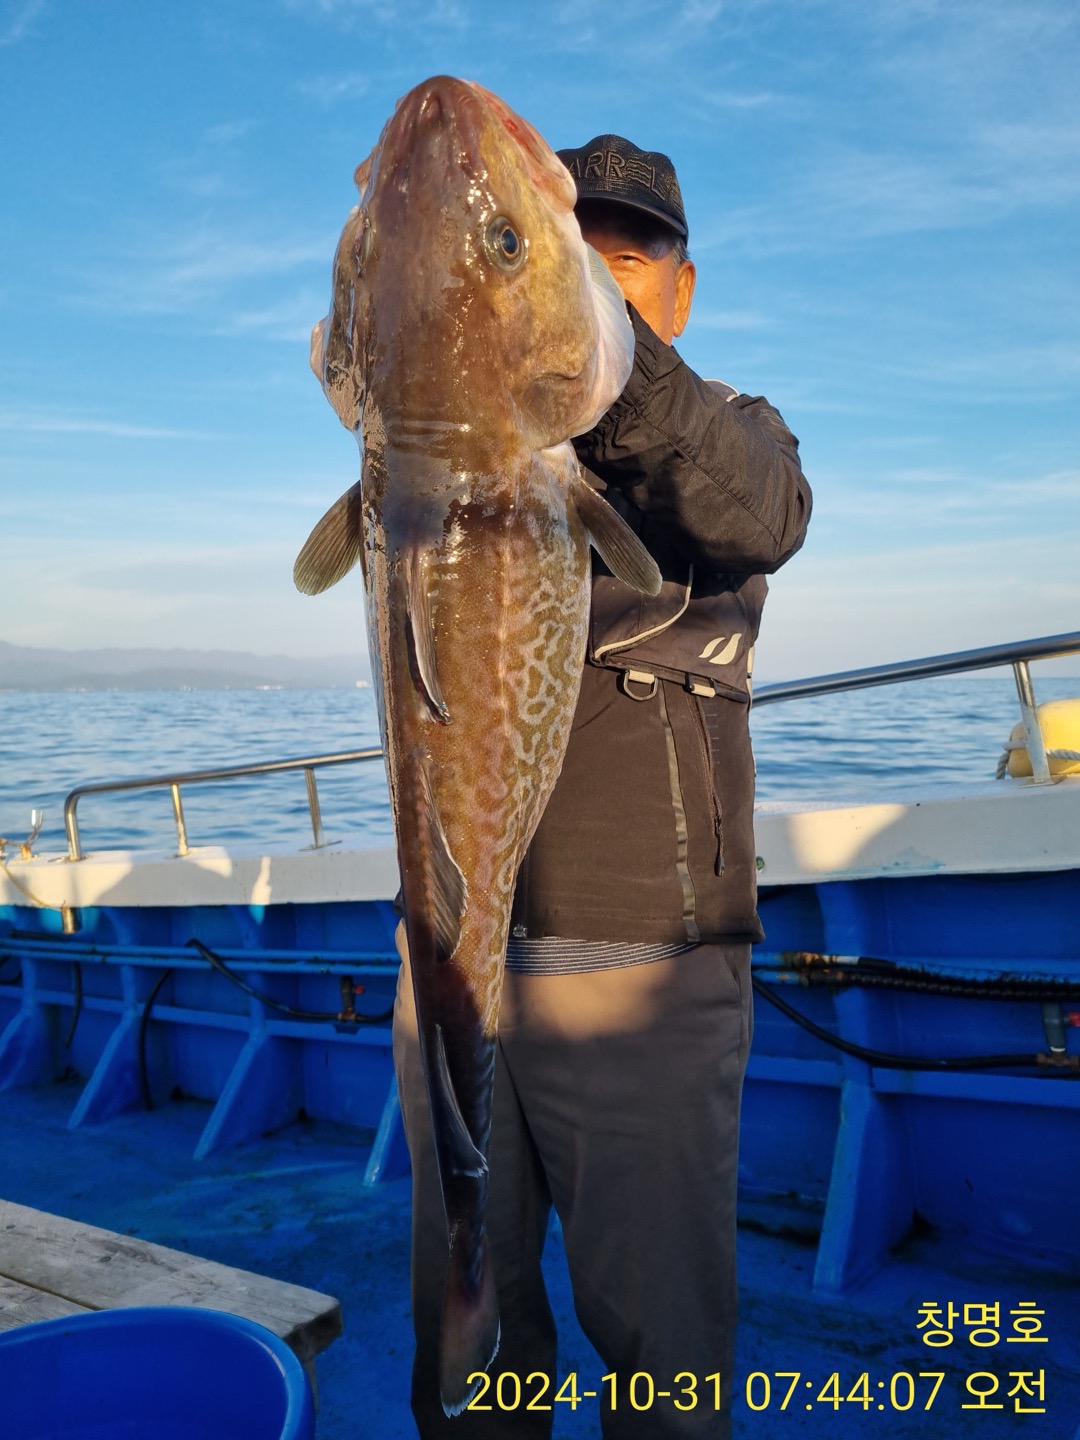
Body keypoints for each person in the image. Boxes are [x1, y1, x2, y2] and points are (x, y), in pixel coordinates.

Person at [394, 134, 811, 1439]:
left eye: (623, 259)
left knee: (659, 1354)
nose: (590, 280)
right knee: (469, 1338)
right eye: (564, 255)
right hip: (447, 951)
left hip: (638, 963)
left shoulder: (730, 433)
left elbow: (762, 515)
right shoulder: (465, 443)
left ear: (680, 290)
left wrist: (590, 355)